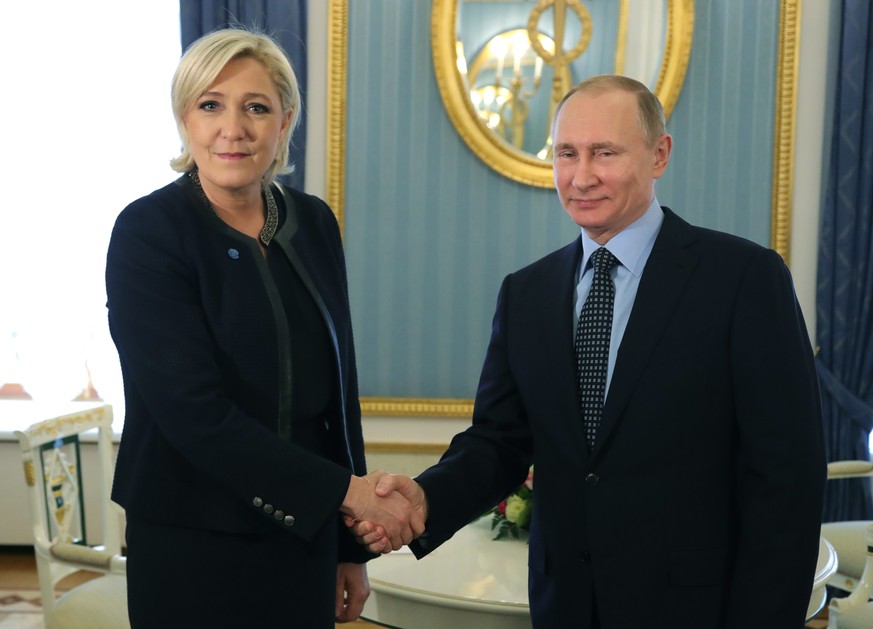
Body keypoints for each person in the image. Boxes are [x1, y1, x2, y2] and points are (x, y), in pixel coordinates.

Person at [351, 75, 826, 628]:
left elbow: (787, 479)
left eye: (604, 153)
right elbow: (499, 442)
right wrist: (423, 500)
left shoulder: (743, 278)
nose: (581, 177)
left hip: (698, 611)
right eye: (566, 154)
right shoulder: (526, 293)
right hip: (566, 607)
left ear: (659, 155)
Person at [105, 27, 422, 628]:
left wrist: (348, 545)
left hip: (302, 536)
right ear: (185, 119)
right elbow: (192, 414)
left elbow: (339, 391)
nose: (234, 128)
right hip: (191, 539)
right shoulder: (147, 233)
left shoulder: (314, 222)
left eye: (256, 107)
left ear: (286, 120)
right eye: (210, 105)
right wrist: (344, 494)